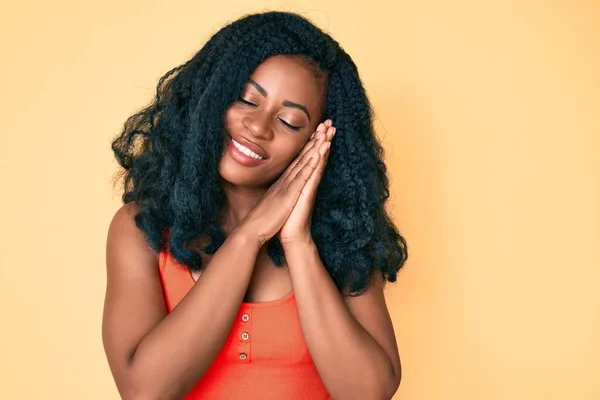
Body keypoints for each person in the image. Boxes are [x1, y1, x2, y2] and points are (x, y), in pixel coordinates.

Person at [102, 10, 408, 400]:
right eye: (246, 99)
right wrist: (249, 236)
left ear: (316, 142)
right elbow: (145, 392)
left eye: (290, 122)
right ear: (211, 96)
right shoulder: (141, 229)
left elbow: (369, 393)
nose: (259, 127)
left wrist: (299, 243)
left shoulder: (342, 235)